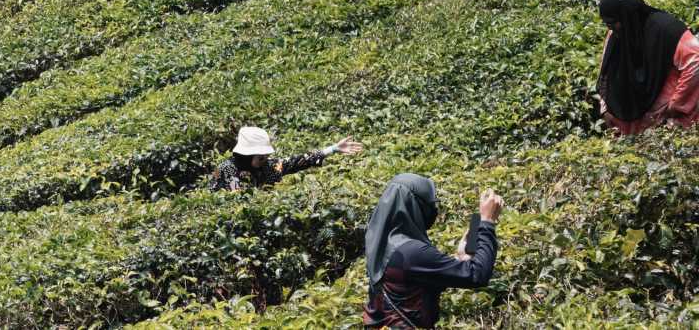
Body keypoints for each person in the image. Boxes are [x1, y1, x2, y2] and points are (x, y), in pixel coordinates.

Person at [364, 173, 503, 327]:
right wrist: (487, 222)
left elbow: (425, 276)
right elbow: (477, 275)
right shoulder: (411, 252)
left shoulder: (383, 244)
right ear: (416, 206)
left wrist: (475, 225)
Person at [596, 0, 699, 136]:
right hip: (632, 121)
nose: (609, 27)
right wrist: (605, 107)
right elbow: (606, 69)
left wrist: (676, 105)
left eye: (613, 22)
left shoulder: (666, 29)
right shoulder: (616, 34)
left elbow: (695, 61)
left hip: (666, 120)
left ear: (627, 17)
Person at [207, 126, 361, 191]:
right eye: (261, 156)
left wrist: (333, 149)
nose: (266, 159)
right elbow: (238, 202)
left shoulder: (266, 166)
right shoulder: (227, 169)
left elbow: (296, 161)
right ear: (247, 155)